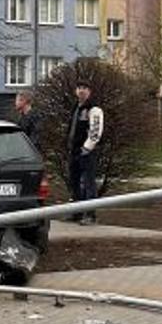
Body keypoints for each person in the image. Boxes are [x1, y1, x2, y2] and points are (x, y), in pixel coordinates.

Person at [66, 80, 104, 225]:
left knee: (89, 184)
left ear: (90, 91)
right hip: (74, 150)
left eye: (85, 88)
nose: (81, 91)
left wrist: (87, 148)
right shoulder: (76, 107)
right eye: (79, 88)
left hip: (86, 152)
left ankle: (90, 214)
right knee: (74, 182)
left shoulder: (94, 109)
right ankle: (77, 212)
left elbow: (95, 131)